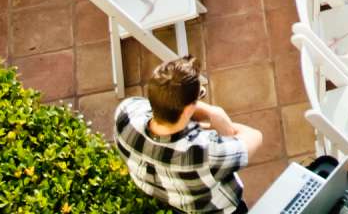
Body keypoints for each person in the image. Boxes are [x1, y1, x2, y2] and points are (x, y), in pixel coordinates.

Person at [112, 56, 261, 214]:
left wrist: (200, 117)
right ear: (188, 109)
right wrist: (215, 113)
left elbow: (167, 109)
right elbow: (254, 136)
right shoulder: (205, 155)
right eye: (200, 95)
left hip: (177, 202)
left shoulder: (125, 114)